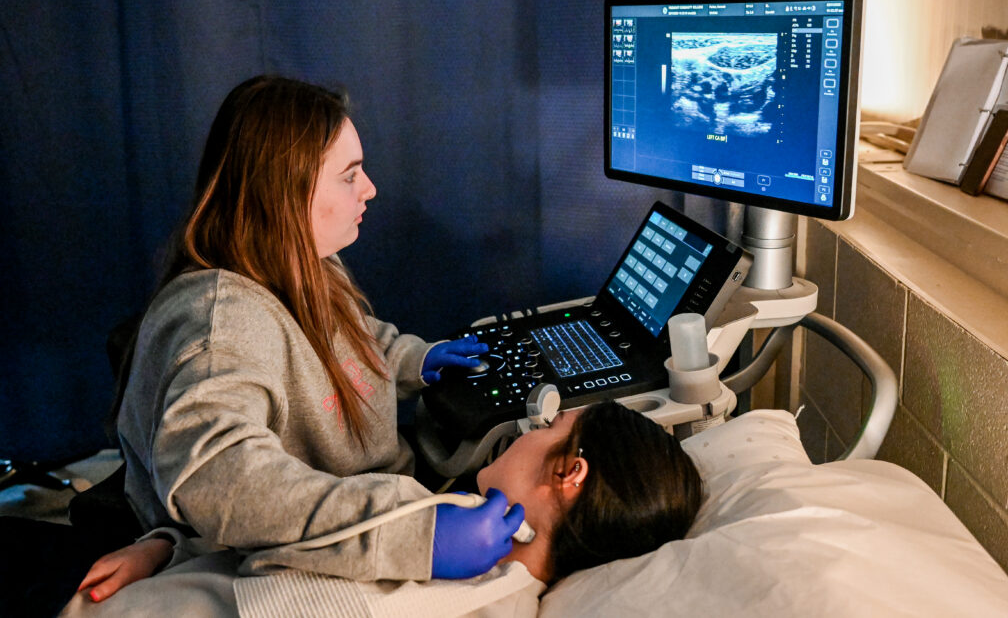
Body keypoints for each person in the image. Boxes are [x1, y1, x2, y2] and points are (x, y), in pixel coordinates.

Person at [110, 75, 520, 587]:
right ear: (284, 192)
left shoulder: (303, 261)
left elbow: (344, 341)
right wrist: (409, 538)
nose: (369, 189)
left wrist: (412, 359)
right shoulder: (225, 322)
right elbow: (215, 476)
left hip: (384, 488)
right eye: (349, 176)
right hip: (315, 542)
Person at [64, 401, 703, 616]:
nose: (527, 429)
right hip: (148, 579)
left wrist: (404, 526)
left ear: (569, 473)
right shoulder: (459, 535)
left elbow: (271, 584)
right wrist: (165, 546)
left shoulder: (447, 579)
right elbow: (258, 550)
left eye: (551, 425)